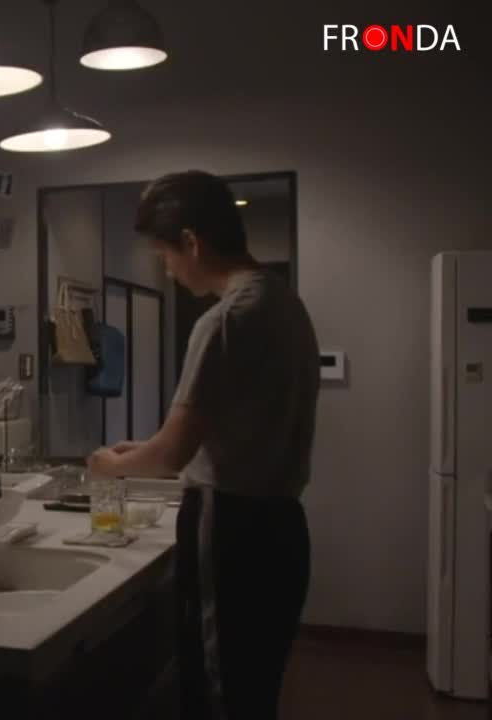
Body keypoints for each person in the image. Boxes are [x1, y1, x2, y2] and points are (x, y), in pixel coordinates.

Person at [87, 170, 319, 719]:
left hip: (232, 527)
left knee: (218, 694)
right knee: (254, 691)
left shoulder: (225, 320)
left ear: (191, 242)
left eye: (165, 255)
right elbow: (227, 427)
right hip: (283, 525)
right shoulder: (285, 303)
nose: (167, 270)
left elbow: (172, 456)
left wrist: (108, 465)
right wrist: (145, 448)